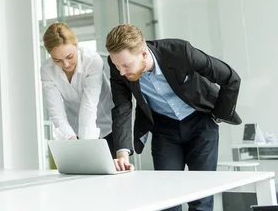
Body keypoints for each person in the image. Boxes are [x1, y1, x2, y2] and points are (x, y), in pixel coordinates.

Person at [105, 24, 241, 211]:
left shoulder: (180, 52)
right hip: (164, 129)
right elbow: (122, 107)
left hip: (201, 123)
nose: (121, 72)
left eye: (126, 65)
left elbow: (230, 78)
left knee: (201, 198)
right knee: (167, 199)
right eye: (117, 65)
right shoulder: (117, 66)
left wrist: (217, 117)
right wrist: (122, 154)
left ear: (143, 54)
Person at [41, 23, 114, 152]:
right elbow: (56, 111)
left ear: (76, 44)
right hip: (74, 130)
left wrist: (85, 147)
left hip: (107, 127)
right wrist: (71, 138)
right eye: (57, 60)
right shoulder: (47, 69)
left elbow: (89, 107)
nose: (66, 64)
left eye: (69, 56)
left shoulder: (92, 61)